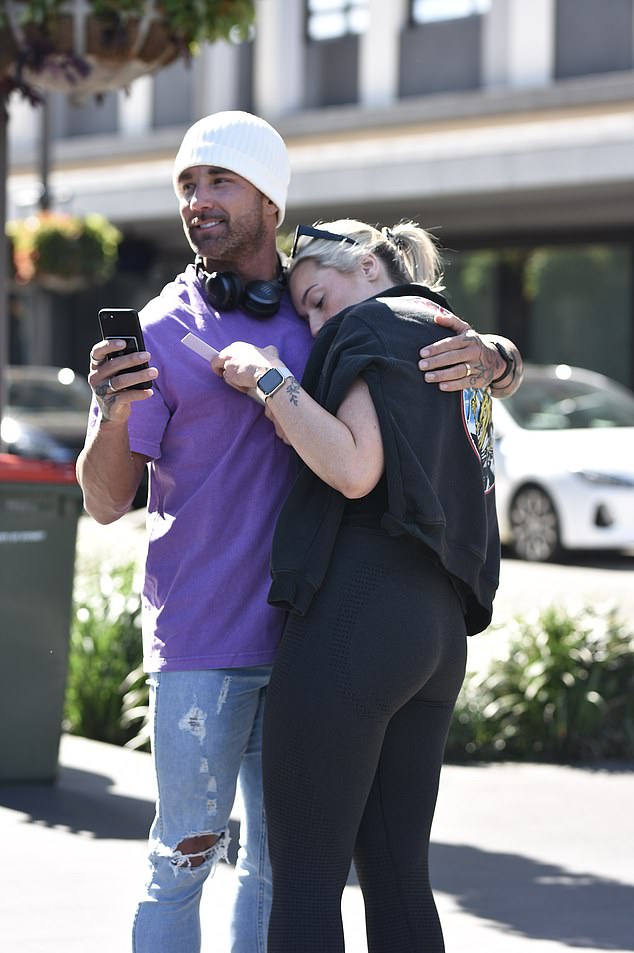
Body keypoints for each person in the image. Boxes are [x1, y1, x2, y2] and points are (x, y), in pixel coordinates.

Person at [75, 110, 522, 953]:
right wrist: (116, 411)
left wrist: (498, 356)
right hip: (203, 639)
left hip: (317, 637)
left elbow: (422, 345)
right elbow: (104, 502)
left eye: (220, 181)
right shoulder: (165, 326)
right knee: (182, 861)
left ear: (271, 201)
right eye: (186, 185)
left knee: (283, 872)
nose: (198, 201)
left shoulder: (325, 306)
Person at [214, 218, 502, 953]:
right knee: (400, 878)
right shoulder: (452, 332)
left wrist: (266, 376)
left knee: (305, 884)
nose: (316, 320)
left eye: (317, 296)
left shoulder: (367, 323)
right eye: (306, 311)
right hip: (436, 633)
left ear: (371, 265)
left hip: (359, 614)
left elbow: (352, 468)